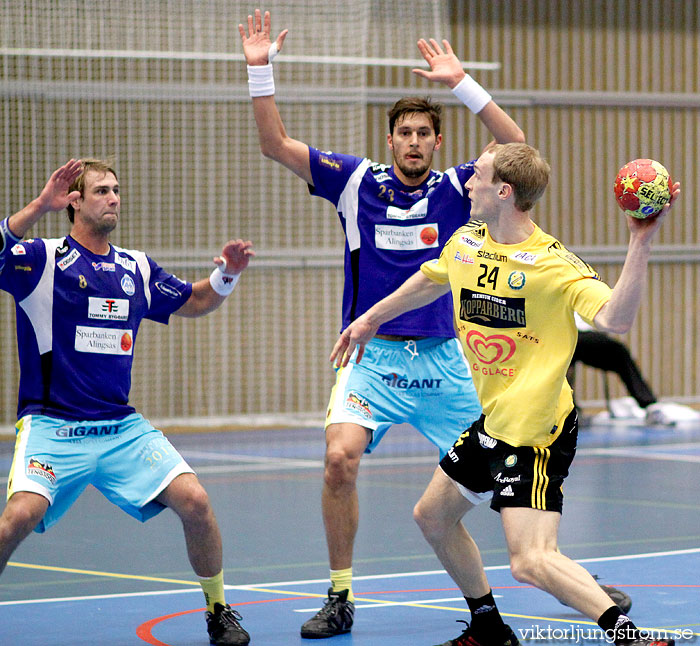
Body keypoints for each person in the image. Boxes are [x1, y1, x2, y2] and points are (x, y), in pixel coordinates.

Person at [239, 8, 526, 638]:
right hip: (371, 359)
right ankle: (340, 597)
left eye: (426, 131)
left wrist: (463, 83)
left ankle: (552, 569)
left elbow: (519, 151)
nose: (415, 141)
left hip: (447, 362)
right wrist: (260, 73)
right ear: (390, 139)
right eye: (405, 132)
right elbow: (274, 146)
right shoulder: (354, 181)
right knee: (338, 460)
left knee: (507, 476)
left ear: (438, 142)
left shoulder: (458, 189)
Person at [331, 143, 679, 646]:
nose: (467, 183)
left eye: (478, 176)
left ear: (504, 191)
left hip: (537, 430)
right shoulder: (467, 242)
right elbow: (429, 282)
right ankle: (490, 628)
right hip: (494, 423)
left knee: (531, 561)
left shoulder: (553, 263)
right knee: (432, 516)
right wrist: (369, 319)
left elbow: (616, 319)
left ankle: (633, 638)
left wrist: (641, 243)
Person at [0, 159, 254, 646]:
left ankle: (219, 611)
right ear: (73, 200)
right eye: (101, 190)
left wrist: (227, 276)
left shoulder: (135, 268)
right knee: (17, 517)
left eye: (116, 190)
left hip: (120, 428)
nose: (113, 198)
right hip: (53, 427)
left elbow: (195, 300)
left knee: (196, 502)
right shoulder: (40, 259)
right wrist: (37, 206)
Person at [569, 313, 695, 426]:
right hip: (559, 336)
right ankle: (568, 413)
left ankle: (650, 406)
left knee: (619, 352)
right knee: (561, 366)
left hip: (582, 335)